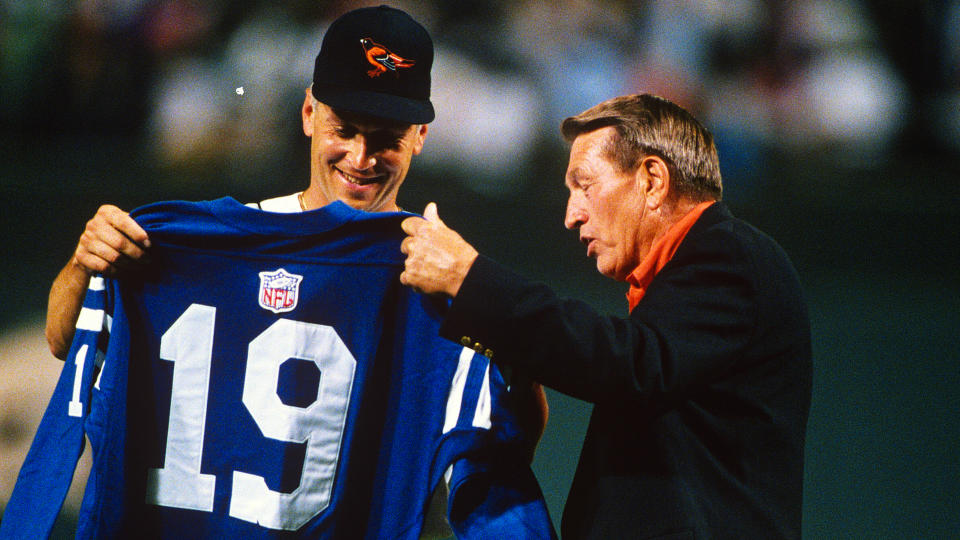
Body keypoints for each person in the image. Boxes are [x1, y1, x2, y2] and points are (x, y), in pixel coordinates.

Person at [29, 5, 550, 538]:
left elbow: (508, 446)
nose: (361, 157)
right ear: (308, 114)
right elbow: (61, 340)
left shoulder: (442, 273)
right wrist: (82, 264)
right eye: (344, 129)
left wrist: (502, 327)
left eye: (387, 139)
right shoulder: (199, 248)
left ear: (419, 137)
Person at [400, 93, 813, 539]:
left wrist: (470, 280)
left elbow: (631, 364)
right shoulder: (685, 286)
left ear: (652, 180)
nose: (571, 216)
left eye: (585, 184)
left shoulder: (733, 255)